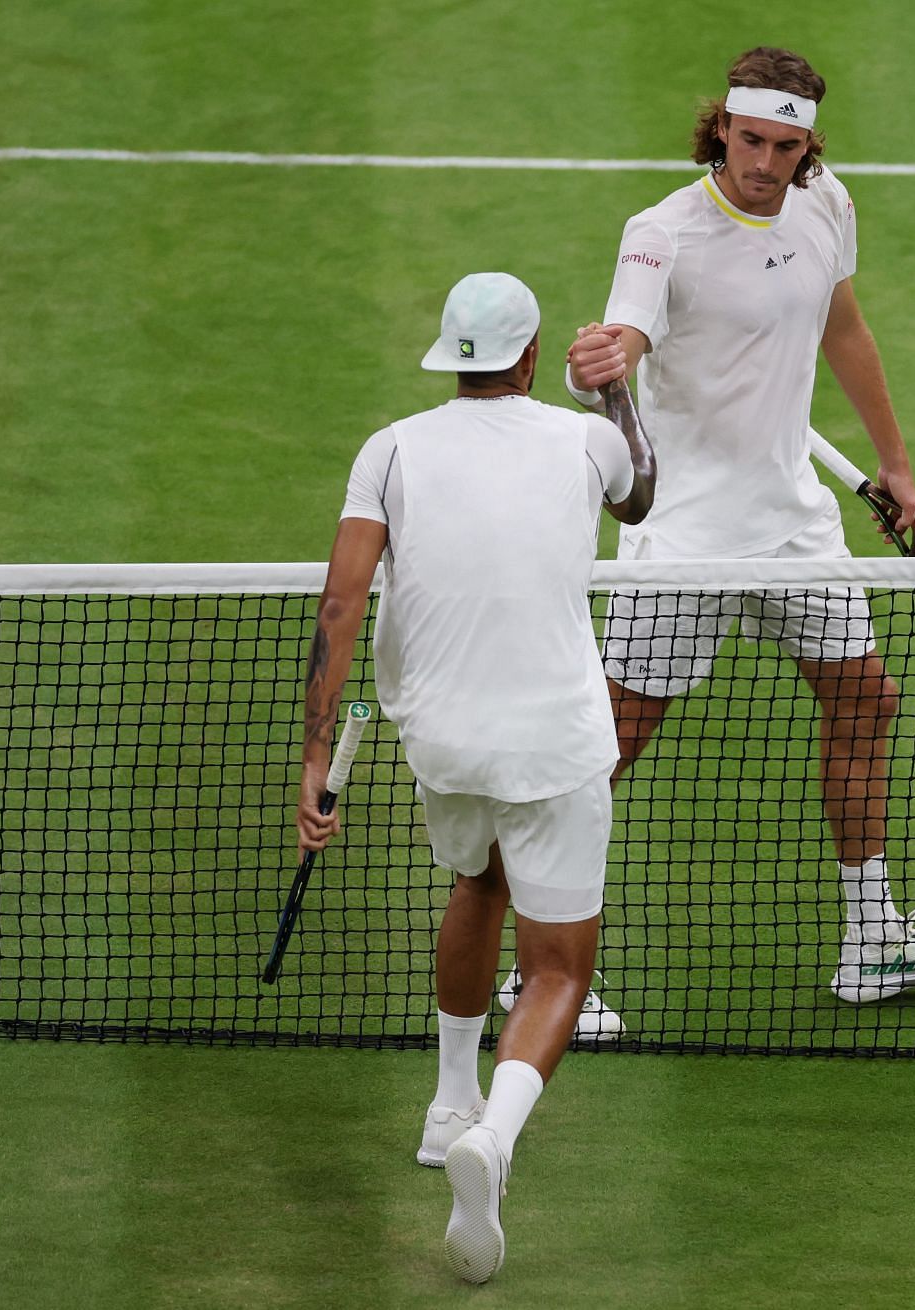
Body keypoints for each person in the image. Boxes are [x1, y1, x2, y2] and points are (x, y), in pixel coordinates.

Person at [558, 46, 915, 1022]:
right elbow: (627, 335)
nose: (763, 162)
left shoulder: (827, 206)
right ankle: (532, 970)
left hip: (796, 521)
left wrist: (896, 464)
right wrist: (607, 355)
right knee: (610, 744)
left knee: (866, 702)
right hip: (685, 537)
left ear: (809, 143)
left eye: (785, 144)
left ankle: (872, 940)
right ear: (721, 124)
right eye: (749, 138)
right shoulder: (659, 233)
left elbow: (841, 327)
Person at [297, 271, 654, 1285]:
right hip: (554, 743)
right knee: (558, 970)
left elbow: (342, 600)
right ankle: (489, 1140)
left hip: (442, 743)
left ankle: (448, 1101)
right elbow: (646, 491)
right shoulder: (584, 439)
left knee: (476, 884)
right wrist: (616, 394)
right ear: (533, 358)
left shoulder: (392, 449)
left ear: (450, 353)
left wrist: (317, 757)